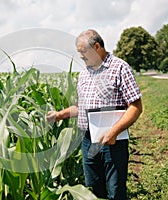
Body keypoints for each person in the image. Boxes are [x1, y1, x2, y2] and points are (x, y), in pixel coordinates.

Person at [46, 29, 142, 200]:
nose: (81, 57)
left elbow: (135, 107)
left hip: (113, 141)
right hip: (88, 141)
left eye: (83, 52)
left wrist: (113, 132)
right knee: (93, 190)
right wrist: (59, 115)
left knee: (116, 191)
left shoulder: (119, 68)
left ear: (97, 47)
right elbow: (81, 106)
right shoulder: (84, 74)